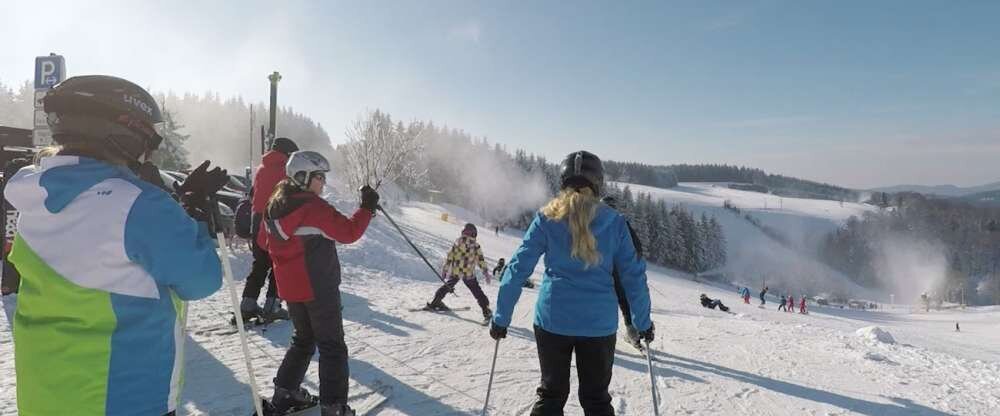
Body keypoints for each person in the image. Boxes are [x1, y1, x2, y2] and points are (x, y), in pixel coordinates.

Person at [5, 75, 225, 416]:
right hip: (121, 397)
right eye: (146, 139)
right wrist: (193, 214)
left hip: (45, 395)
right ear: (123, 133)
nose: (147, 150)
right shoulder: (139, 204)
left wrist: (171, 207)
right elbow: (202, 279)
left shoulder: (36, 198)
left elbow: (103, 247)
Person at [491, 151, 653, 416]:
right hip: (598, 326)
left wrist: (501, 317)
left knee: (551, 395)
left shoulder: (546, 218)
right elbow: (633, 277)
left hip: (553, 320)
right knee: (596, 399)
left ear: (563, 182)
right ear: (598, 183)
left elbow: (518, 268)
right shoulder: (615, 223)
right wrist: (643, 323)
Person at [262, 151, 379, 416]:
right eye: (318, 177)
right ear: (302, 177)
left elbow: (263, 241)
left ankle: (285, 393)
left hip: (292, 288)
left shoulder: (275, 204)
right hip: (317, 286)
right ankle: (334, 408)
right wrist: (367, 208)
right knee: (332, 346)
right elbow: (348, 232)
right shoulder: (312, 206)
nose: (322, 183)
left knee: (303, 340)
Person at [239, 137, 299, 323]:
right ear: (287, 154)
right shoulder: (286, 170)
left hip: (256, 219)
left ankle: (247, 304)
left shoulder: (261, 168)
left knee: (260, 263)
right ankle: (272, 305)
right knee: (278, 263)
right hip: (275, 219)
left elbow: (253, 195)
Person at [602, 195, 645, 350]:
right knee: (624, 300)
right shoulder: (621, 222)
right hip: (619, 271)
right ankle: (631, 330)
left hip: (601, 270)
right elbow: (637, 247)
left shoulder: (594, 222)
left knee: (602, 299)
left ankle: (598, 335)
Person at [426, 223, 494, 322]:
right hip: (468, 274)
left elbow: (450, 257)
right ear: (474, 234)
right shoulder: (475, 246)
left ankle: (435, 302)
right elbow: (480, 260)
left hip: (456, 272)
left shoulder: (457, 243)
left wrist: (445, 269)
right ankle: (486, 310)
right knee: (476, 291)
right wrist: (485, 272)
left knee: (447, 286)